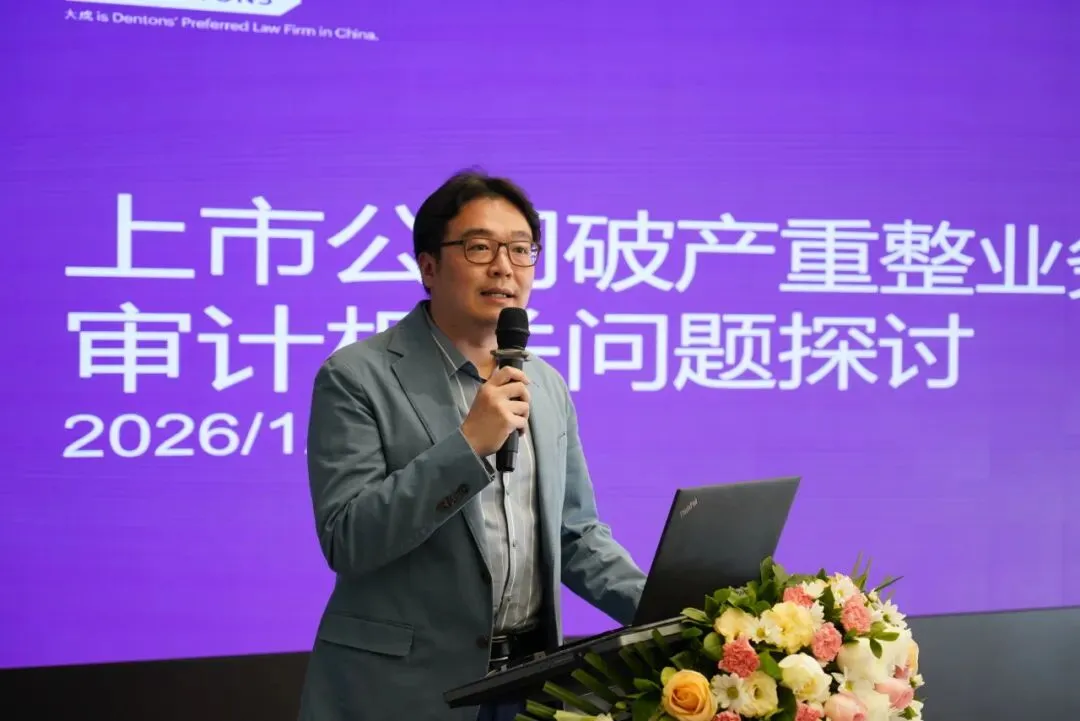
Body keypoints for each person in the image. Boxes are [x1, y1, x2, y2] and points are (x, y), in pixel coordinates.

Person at [297, 169, 646, 721]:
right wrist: (468, 446)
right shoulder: (356, 377)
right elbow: (349, 539)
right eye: (480, 247)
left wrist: (676, 610)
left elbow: (575, 535)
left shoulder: (545, 384)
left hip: (528, 684)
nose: (504, 267)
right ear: (428, 266)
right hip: (401, 692)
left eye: (521, 250)